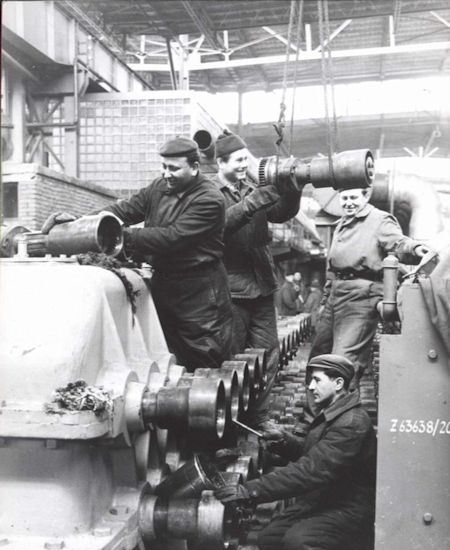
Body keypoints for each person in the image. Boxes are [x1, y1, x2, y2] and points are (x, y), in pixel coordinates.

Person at [42, 137, 233, 373]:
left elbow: (172, 237)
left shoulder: (210, 199)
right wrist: (81, 222)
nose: (166, 174)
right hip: (166, 285)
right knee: (169, 364)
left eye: (174, 168)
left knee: (205, 364)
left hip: (199, 295)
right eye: (163, 167)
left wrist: (117, 236)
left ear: (194, 167)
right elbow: (124, 210)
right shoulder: (159, 187)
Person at [214, 353, 376, 550]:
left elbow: (310, 470)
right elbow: (316, 454)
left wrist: (249, 490)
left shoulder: (351, 423)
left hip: (351, 508)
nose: (310, 387)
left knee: (299, 541)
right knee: (270, 539)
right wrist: (283, 442)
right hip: (328, 499)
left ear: (338, 383)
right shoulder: (334, 412)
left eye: (317, 380)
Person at [213, 131, 301, 429]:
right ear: (220, 162)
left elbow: (280, 212)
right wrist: (253, 202)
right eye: (238, 160)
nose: (244, 165)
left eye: (245, 160)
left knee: (268, 354)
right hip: (231, 290)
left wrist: (293, 189)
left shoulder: (252, 188)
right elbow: (217, 226)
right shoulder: (210, 193)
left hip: (262, 285)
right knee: (233, 359)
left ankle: (259, 417)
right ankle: (228, 424)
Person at [309, 186, 431, 381]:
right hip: (335, 295)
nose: (349, 203)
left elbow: (397, 242)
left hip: (362, 297)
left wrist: (415, 248)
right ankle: (315, 401)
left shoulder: (379, 220)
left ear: (366, 196)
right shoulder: (342, 223)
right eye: (344, 198)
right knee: (318, 357)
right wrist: (325, 301)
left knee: (343, 362)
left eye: (353, 197)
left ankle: (344, 401)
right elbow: (332, 268)